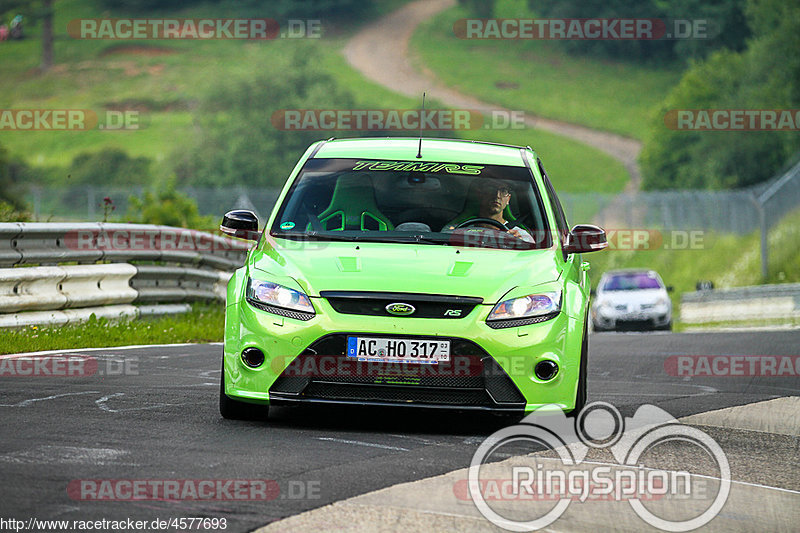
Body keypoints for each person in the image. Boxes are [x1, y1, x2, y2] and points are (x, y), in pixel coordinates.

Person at [443, 179, 535, 242]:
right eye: (491, 189)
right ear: (480, 195)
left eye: (503, 191)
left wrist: (520, 244)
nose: (497, 195)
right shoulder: (457, 230)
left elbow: (533, 259)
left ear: (508, 199)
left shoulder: (520, 235)